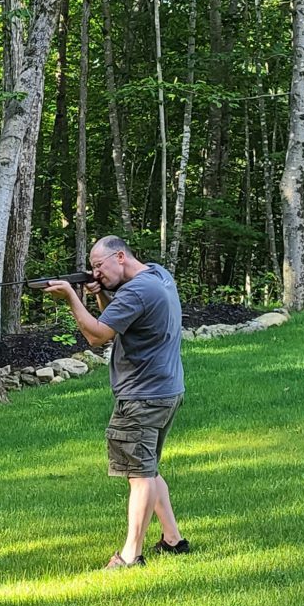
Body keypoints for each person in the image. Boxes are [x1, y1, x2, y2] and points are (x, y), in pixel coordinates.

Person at [34, 235, 188, 569]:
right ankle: (173, 540)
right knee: (147, 468)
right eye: (92, 269)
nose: (96, 273)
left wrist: (72, 298)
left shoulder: (136, 290)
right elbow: (119, 323)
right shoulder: (158, 275)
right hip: (165, 390)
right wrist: (101, 293)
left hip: (141, 396)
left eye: (99, 266)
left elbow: (97, 335)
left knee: (140, 475)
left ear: (120, 257)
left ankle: (130, 556)